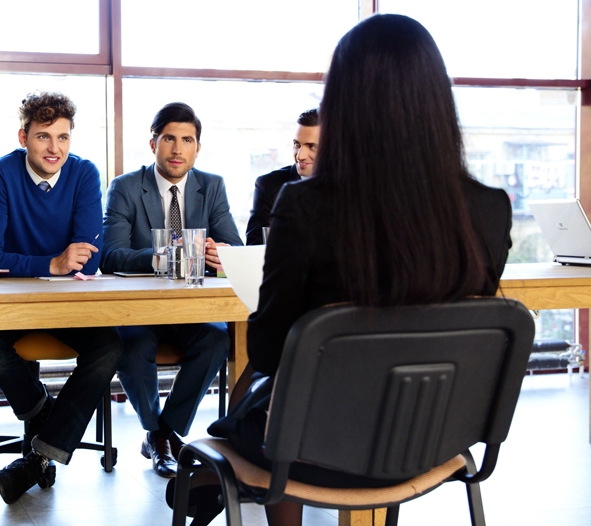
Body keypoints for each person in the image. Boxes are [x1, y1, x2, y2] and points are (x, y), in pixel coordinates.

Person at [178, 14, 514, 526]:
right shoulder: (491, 208)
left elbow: (268, 350)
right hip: (434, 441)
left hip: (313, 448)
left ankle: (207, 483)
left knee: (249, 419)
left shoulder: (305, 205)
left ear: (344, 106)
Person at [0, 91, 124, 504]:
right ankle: (44, 412)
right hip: (12, 304)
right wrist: (51, 263)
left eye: (63, 137)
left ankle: (38, 456)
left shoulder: (84, 174)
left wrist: (40, 263)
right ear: (23, 137)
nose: (54, 148)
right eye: (43, 137)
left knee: (109, 346)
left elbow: (87, 263)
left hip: (66, 306)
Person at [100, 102, 241, 478]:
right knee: (131, 347)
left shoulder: (212, 187)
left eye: (187, 140)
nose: (178, 149)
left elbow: (235, 248)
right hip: (139, 311)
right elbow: (111, 256)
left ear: (197, 147)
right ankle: (156, 431)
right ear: (153, 144)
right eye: (169, 139)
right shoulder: (126, 187)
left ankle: (164, 432)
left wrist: (222, 253)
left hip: (191, 310)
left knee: (217, 340)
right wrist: (163, 257)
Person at [244, 109, 319, 245]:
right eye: (297, 145)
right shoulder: (269, 185)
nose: (300, 156)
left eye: (312, 147)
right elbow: (255, 247)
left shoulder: (354, 187)